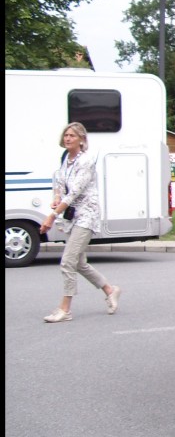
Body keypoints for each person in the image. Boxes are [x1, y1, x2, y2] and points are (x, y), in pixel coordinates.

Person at [38, 122, 121, 322]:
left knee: (67, 261)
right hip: (73, 217)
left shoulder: (86, 161)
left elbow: (75, 192)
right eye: (66, 135)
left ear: (81, 140)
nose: (67, 138)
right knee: (79, 263)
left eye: (72, 135)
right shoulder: (66, 158)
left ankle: (65, 309)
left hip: (87, 215)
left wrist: (52, 216)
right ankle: (110, 290)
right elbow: (58, 181)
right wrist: (56, 196)